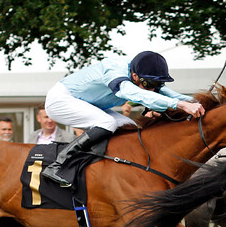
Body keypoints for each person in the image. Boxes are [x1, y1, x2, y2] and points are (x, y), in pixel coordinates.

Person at [41, 51, 204, 187]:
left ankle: (106, 167)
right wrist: (179, 105)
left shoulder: (141, 73)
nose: (153, 89)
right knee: (107, 123)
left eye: (156, 84)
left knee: (129, 125)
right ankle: (58, 166)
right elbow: (133, 93)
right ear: (134, 75)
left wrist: (197, 102)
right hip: (61, 100)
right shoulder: (115, 70)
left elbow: (168, 94)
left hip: (87, 102)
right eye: (149, 84)